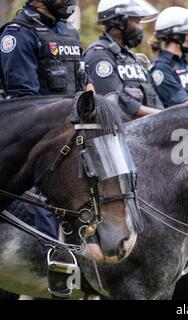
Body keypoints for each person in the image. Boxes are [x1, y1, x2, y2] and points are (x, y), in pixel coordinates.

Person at [0, 0, 91, 299]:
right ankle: (57, 255)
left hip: (74, 131)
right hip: (38, 139)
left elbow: (84, 84)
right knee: (55, 187)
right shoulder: (18, 34)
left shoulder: (68, 32)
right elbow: (23, 100)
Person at [84, 0, 163, 118]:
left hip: (147, 128)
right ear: (118, 21)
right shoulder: (99, 55)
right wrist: (161, 115)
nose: (140, 28)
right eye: (137, 21)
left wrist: (166, 115)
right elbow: (116, 101)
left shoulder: (131, 57)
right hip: (122, 131)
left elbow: (154, 97)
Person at [0, 0, 92, 98]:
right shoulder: (20, 35)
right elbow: (25, 100)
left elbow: (87, 83)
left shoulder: (69, 31)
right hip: (44, 112)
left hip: (76, 111)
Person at [150, 6, 188, 108]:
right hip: (178, 123)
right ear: (176, 36)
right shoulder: (162, 68)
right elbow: (185, 108)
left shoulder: (186, 66)